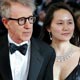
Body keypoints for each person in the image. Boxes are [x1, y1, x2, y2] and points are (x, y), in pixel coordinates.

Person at [0, 0, 56, 80]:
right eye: (21, 20)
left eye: (30, 19)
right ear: (6, 23)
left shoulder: (47, 52)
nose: (28, 26)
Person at [39, 2, 80, 80]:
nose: (66, 28)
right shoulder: (38, 56)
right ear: (48, 27)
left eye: (70, 23)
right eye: (60, 23)